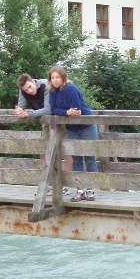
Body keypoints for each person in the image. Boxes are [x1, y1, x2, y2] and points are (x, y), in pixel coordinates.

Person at [48, 65, 97, 201]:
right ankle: (80, 190)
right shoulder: (52, 92)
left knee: (89, 157)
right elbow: (53, 109)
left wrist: (69, 111)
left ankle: (90, 189)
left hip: (86, 125)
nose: (56, 80)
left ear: (63, 77)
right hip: (72, 128)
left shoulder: (71, 89)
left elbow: (77, 109)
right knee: (76, 159)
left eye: (58, 77)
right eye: (53, 78)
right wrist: (66, 112)